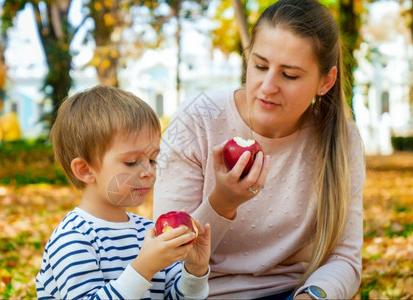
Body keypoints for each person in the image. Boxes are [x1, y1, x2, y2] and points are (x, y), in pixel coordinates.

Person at [153, 0, 366, 299]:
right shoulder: (197, 121)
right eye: (260, 66)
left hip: (294, 293)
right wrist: (221, 205)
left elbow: (344, 258)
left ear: (325, 81)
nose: (267, 86)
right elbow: (167, 260)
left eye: (289, 75)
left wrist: (312, 296)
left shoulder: (341, 139)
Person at [36, 85, 211, 299]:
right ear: (85, 170)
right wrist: (143, 268)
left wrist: (195, 271)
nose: (148, 171)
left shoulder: (148, 232)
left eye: (152, 159)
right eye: (131, 162)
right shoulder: (73, 239)